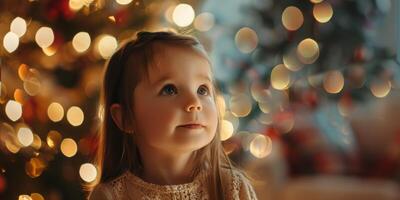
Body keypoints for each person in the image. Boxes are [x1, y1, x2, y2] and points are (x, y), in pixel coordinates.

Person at [87, 31, 258, 200]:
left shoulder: (233, 188)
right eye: (169, 89)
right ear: (126, 118)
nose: (194, 102)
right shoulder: (109, 196)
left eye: (202, 89)